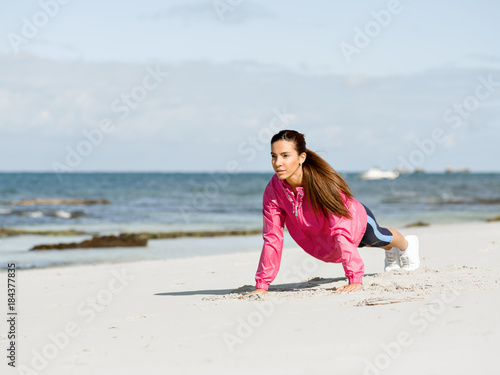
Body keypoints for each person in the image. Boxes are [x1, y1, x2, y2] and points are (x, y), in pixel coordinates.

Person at [241, 130, 419, 298]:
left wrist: (354, 278)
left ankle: (406, 244)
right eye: (274, 156)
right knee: (366, 245)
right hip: (329, 239)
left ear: (301, 157)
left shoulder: (322, 184)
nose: (277, 162)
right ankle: (390, 252)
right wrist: (262, 285)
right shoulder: (274, 190)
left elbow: (341, 229)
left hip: (354, 220)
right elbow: (272, 236)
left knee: (378, 238)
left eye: (285, 155)